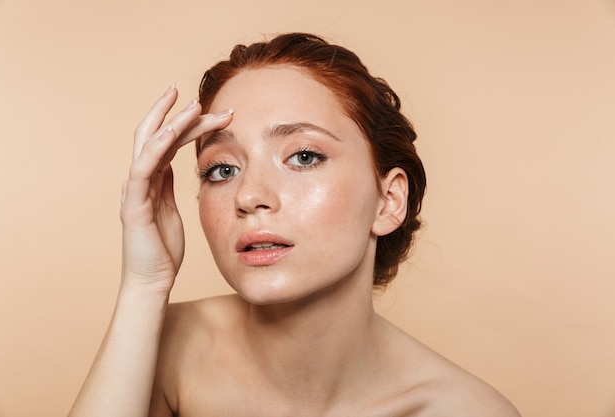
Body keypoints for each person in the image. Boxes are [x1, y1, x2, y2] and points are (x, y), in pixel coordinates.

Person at [69, 33, 521, 416]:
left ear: (389, 200)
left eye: (304, 157)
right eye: (222, 169)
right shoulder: (164, 348)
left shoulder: (462, 408)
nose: (249, 196)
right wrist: (144, 284)